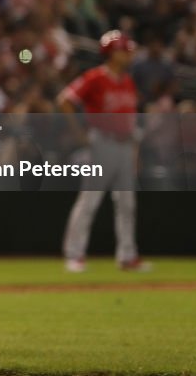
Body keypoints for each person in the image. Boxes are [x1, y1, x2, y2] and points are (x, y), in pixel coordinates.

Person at [60, 30, 151, 273]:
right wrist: (79, 134)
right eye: (124, 50)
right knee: (90, 200)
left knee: (127, 203)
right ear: (112, 53)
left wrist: (135, 150)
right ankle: (74, 254)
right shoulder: (95, 78)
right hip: (102, 143)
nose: (129, 54)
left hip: (124, 144)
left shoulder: (128, 81)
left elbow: (130, 119)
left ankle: (127, 256)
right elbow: (66, 100)